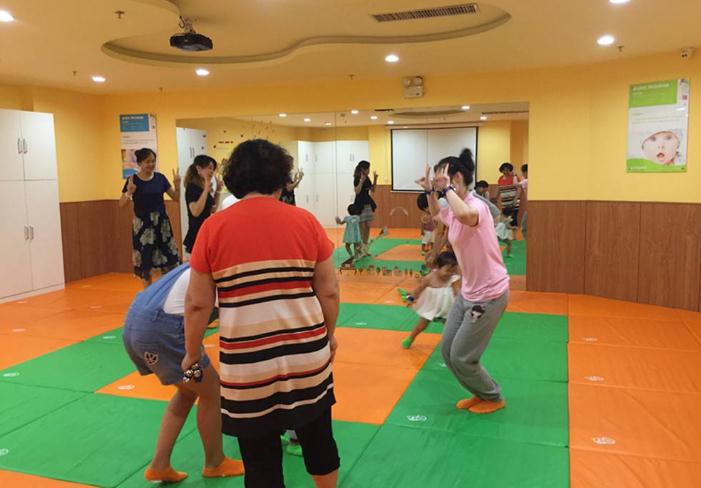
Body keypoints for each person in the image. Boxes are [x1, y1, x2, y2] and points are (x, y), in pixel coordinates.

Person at [183, 139, 340, 488]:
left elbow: (197, 303)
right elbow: (328, 290)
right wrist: (328, 336)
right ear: (281, 179)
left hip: (247, 365)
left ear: (235, 178)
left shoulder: (213, 228)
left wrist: (192, 354)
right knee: (319, 440)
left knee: (260, 461)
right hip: (307, 357)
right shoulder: (306, 221)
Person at [122, 263, 244, 483]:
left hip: (137, 325)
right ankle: (215, 462)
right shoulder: (226, 271)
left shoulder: (201, 261)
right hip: (163, 333)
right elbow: (203, 309)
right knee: (211, 390)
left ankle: (159, 465)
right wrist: (194, 352)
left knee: (188, 390)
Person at [416, 148, 510, 415]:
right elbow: (438, 214)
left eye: (441, 179)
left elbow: (467, 216)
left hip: (489, 295)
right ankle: (480, 393)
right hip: (468, 292)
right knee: (447, 351)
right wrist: (429, 192)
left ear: (456, 178)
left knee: (462, 356)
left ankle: (493, 396)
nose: (439, 184)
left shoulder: (476, 206)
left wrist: (446, 190)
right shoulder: (454, 208)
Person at [119, 148, 181, 288]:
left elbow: (176, 198)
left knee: (168, 259)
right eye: (147, 162)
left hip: (162, 224)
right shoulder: (133, 180)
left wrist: (177, 186)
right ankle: (147, 293)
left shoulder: (160, 178)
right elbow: (121, 204)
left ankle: (166, 292)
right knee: (145, 261)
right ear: (139, 163)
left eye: (153, 161)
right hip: (143, 226)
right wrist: (129, 192)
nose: (151, 164)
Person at [401, 251, 460, 349]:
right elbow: (419, 289)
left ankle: (451, 344)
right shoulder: (430, 278)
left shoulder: (453, 278)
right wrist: (410, 298)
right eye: (447, 270)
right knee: (422, 325)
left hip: (447, 307)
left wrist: (459, 302)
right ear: (437, 267)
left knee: (450, 327)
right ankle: (411, 337)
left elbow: (456, 291)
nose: (450, 273)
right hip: (431, 306)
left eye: (453, 271)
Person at [183, 155, 222, 256]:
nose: (212, 171)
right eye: (209, 168)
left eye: (213, 169)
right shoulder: (192, 188)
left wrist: (218, 191)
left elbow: (213, 209)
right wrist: (205, 190)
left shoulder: (204, 187)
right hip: (196, 233)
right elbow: (195, 212)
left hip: (206, 230)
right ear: (199, 168)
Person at [352, 161, 378, 256]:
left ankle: (365, 248)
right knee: (361, 227)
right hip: (360, 204)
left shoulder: (368, 178)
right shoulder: (357, 178)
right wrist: (361, 181)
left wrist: (375, 179)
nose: (369, 171)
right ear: (363, 169)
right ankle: (359, 249)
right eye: (367, 169)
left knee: (368, 226)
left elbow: (373, 190)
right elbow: (357, 191)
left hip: (368, 204)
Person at [496, 162, 521, 227]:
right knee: (505, 219)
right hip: (504, 203)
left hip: (513, 202)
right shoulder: (500, 178)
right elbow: (499, 189)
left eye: (507, 170)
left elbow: (519, 189)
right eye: (504, 170)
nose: (505, 172)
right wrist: (496, 198)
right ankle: (507, 232)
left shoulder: (514, 178)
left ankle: (514, 232)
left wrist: (515, 199)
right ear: (501, 170)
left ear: (510, 170)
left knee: (513, 219)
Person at [520, 164, 528, 239]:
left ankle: (526, 242)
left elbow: (516, 185)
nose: (522, 174)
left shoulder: (526, 181)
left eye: (522, 172)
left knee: (523, 227)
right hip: (530, 206)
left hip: (530, 207)